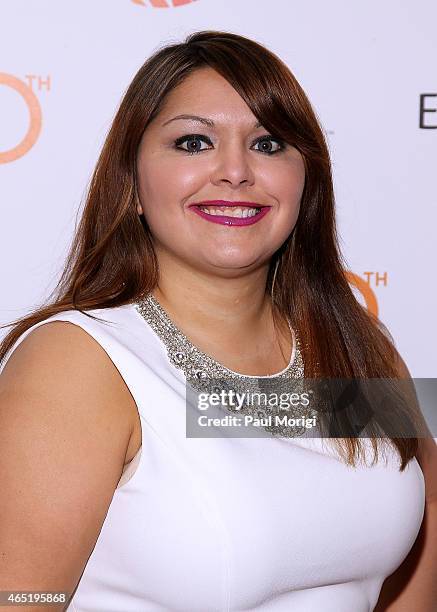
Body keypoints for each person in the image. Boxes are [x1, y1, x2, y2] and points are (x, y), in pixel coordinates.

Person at [0, 30, 435, 612]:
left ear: (305, 183)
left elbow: (423, 523)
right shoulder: (78, 363)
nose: (235, 171)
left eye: (270, 143)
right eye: (193, 143)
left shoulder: (353, 345)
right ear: (131, 183)